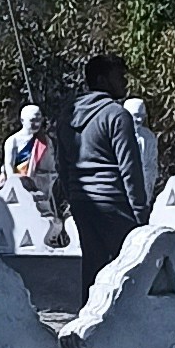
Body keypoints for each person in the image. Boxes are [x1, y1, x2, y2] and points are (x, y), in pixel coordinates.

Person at [62, 51, 145, 279]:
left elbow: (63, 165)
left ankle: (90, 313)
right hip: (113, 202)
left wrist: (74, 197)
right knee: (128, 271)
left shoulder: (66, 116)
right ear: (101, 80)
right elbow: (130, 169)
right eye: (119, 76)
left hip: (82, 202)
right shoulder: (117, 115)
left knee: (93, 269)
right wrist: (140, 213)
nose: (124, 82)